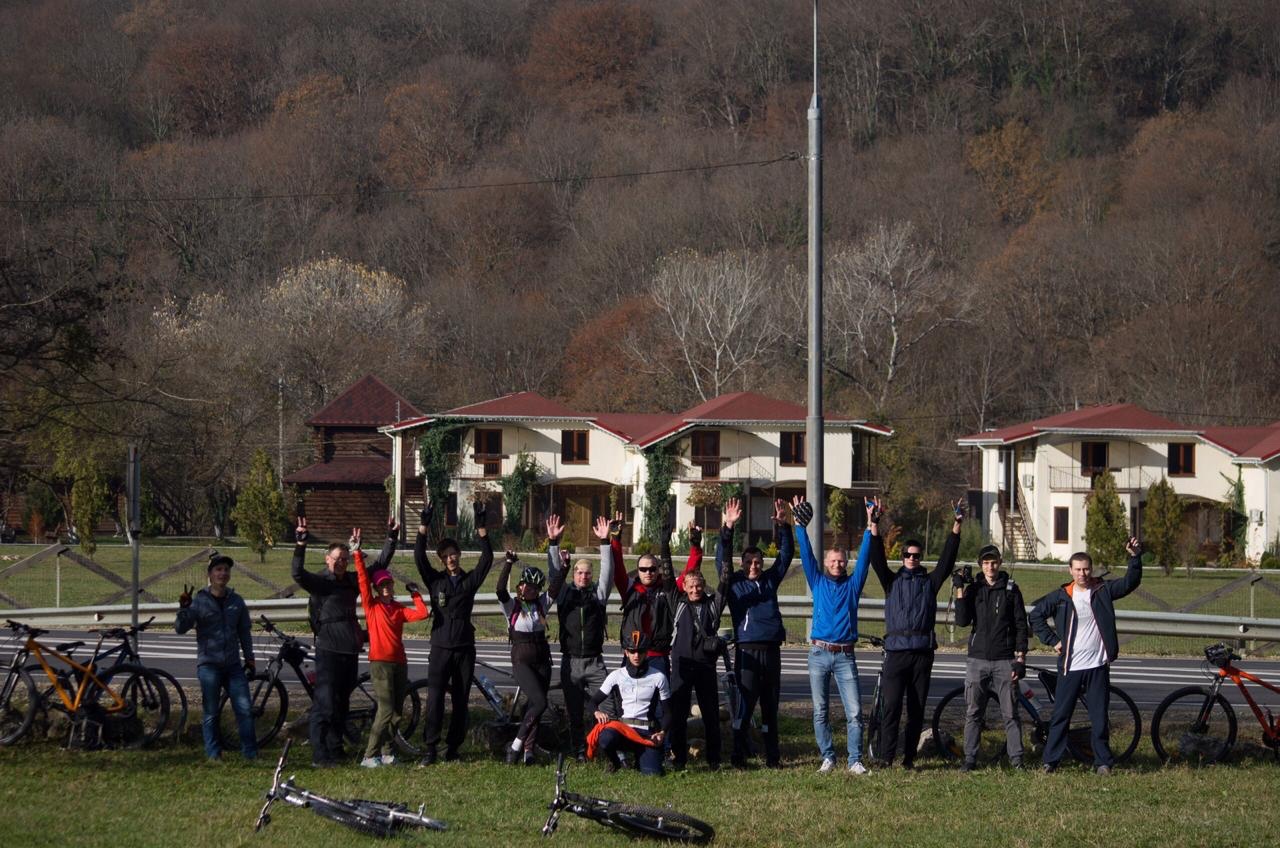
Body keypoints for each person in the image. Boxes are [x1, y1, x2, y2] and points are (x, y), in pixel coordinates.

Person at [1030, 537, 1143, 775]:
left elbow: (1130, 583)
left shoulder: (1102, 590)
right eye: (1078, 569)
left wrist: (1135, 558)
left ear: (1091, 570)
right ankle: (1051, 762)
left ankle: (1103, 762)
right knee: (1061, 716)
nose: (1082, 574)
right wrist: (1052, 641)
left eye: (1086, 569)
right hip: (1070, 666)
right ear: (1070, 571)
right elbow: (1036, 616)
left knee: (1099, 717)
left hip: (1097, 666)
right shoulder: (1061, 596)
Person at [869, 498, 965, 769]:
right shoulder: (892, 581)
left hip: (922, 653)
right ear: (901, 557)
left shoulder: (930, 582)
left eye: (916, 555)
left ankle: (909, 759)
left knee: (916, 710)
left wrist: (956, 526)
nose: (912, 558)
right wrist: (874, 524)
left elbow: (947, 561)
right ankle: (887, 758)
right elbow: (876, 559)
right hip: (897, 653)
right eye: (907, 555)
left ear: (921, 557)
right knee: (891, 709)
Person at [293, 516, 394, 766]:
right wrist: (300, 543)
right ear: (327, 560)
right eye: (336, 559)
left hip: (349, 650)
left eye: (344, 559)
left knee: (341, 704)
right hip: (328, 650)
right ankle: (320, 754)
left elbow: (379, 564)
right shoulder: (320, 583)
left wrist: (390, 538)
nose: (340, 563)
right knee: (324, 705)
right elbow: (297, 573)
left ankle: (336, 749)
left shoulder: (351, 580)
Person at [794, 494, 873, 775]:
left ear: (846, 564)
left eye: (841, 561)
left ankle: (855, 761)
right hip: (818, 654)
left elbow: (865, 560)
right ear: (826, 562)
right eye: (833, 560)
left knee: (854, 713)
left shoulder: (852, 586)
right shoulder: (817, 581)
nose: (837, 564)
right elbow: (805, 555)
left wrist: (868, 527)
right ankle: (828, 757)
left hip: (845, 656)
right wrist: (799, 527)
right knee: (820, 711)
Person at [413, 493, 494, 765]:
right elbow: (418, 557)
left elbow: (487, 559)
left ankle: (453, 749)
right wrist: (423, 526)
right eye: (445, 556)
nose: (450, 559)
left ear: (459, 555)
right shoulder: (435, 581)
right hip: (440, 648)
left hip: (463, 648)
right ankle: (431, 749)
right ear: (441, 560)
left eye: (453, 554)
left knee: (461, 700)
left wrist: (482, 529)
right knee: (435, 699)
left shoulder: (469, 581)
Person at [716, 496, 793, 768]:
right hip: (748, 652)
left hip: (771, 651)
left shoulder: (769, 581)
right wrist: (728, 527)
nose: (753, 567)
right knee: (745, 708)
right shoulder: (734, 583)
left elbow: (786, 557)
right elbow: (720, 559)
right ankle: (739, 756)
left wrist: (784, 526)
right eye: (749, 562)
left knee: (770, 709)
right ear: (742, 563)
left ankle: (773, 758)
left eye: (757, 562)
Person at [352, 527, 429, 768]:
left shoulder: (397, 609)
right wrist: (357, 553)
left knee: (396, 711)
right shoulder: (371, 606)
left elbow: (423, 613)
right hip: (380, 664)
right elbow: (363, 580)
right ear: (377, 589)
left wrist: (416, 594)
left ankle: (387, 752)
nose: (386, 588)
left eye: (389, 584)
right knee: (385, 710)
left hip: (400, 663)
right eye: (382, 585)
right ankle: (369, 755)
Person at [953, 543, 1028, 770]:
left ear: (1000, 562)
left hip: (1004, 659)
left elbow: (1020, 625)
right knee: (973, 713)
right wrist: (959, 590)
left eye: (993, 562)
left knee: (1010, 714)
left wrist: (1020, 658)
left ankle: (1017, 760)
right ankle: (970, 758)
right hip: (978, 659)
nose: (990, 567)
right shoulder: (975, 589)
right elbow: (962, 621)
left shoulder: (1011, 590)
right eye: (985, 563)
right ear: (980, 565)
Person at [175, 552, 257, 761]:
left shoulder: (236, 601)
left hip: (233, 665)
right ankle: (213, 753)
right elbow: (180, 629)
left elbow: (244, 632)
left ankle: (250, 753)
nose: (223, 573)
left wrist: (250, 658)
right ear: (210, 575)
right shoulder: (200, 601)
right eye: (218, 570)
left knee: (245, 709)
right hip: (209, 665)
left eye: (226, 570)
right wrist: (183, 610)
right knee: (211, 712)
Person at [546, 513, 614, 762]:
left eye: (587, 573)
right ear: (573, 574)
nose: (583, 576)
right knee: (575, 713)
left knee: (607, 709)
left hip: (596, 662)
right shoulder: (563, 594)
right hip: (571, 662)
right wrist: (553, 544)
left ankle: (605, 749)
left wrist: (605, 542)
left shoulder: (599, 594)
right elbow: (554, 574)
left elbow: (608, 570)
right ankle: (579, 752)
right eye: (579, 573)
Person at [667, 551, 726, 771]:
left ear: (704, 586)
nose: (694, 590)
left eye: (698, 586)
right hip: (681, 667)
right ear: (683, 587)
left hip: (705, 667)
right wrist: (665, 543)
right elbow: (666, 574)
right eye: (690, 586)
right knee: (678, 714)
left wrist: (728, 532)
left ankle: (714, 760)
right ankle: (679, 759)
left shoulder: (712, 605)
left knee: (710, 714)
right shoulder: (677, 602)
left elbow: (725, 580)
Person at [587, 630, 673, 776]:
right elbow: (592, 702)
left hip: (647, 733)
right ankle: (615, 762)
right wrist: (597, 712)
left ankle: (642, 759)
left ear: (647, 653)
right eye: (632, 651)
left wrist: (662, 733)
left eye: (640, 651)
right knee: (606, 738)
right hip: (623, 731)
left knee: (653, 775)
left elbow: (668, 712)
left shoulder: (659, 677)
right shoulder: (616, 675)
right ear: (626, 652)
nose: (636, 656)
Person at [496, 549, 552, 765]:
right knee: (540, 702)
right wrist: (508, 563)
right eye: (523, 584)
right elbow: (501, 589)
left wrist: (564, 566)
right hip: (522, 660)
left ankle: (529, 752)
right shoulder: (512, 607)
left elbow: (555, 588)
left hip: (542, 659)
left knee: (533, 707)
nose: (525, 588)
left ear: (537, 590)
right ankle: (516, 745)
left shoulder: (541, 605)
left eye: (532, 587)